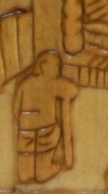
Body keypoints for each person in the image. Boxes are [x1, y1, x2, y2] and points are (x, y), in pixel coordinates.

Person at [14, 51, 79, 184]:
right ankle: (42, 170)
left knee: (26, 148)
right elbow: (72, 90)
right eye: (56, 66)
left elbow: (16, 107)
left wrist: (21, 121)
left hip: (25, 129)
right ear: (43, 66)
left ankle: (25, 172)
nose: (58, 70)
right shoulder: (51, 83)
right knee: (47, 143)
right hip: (46, 127)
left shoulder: (25, 84)